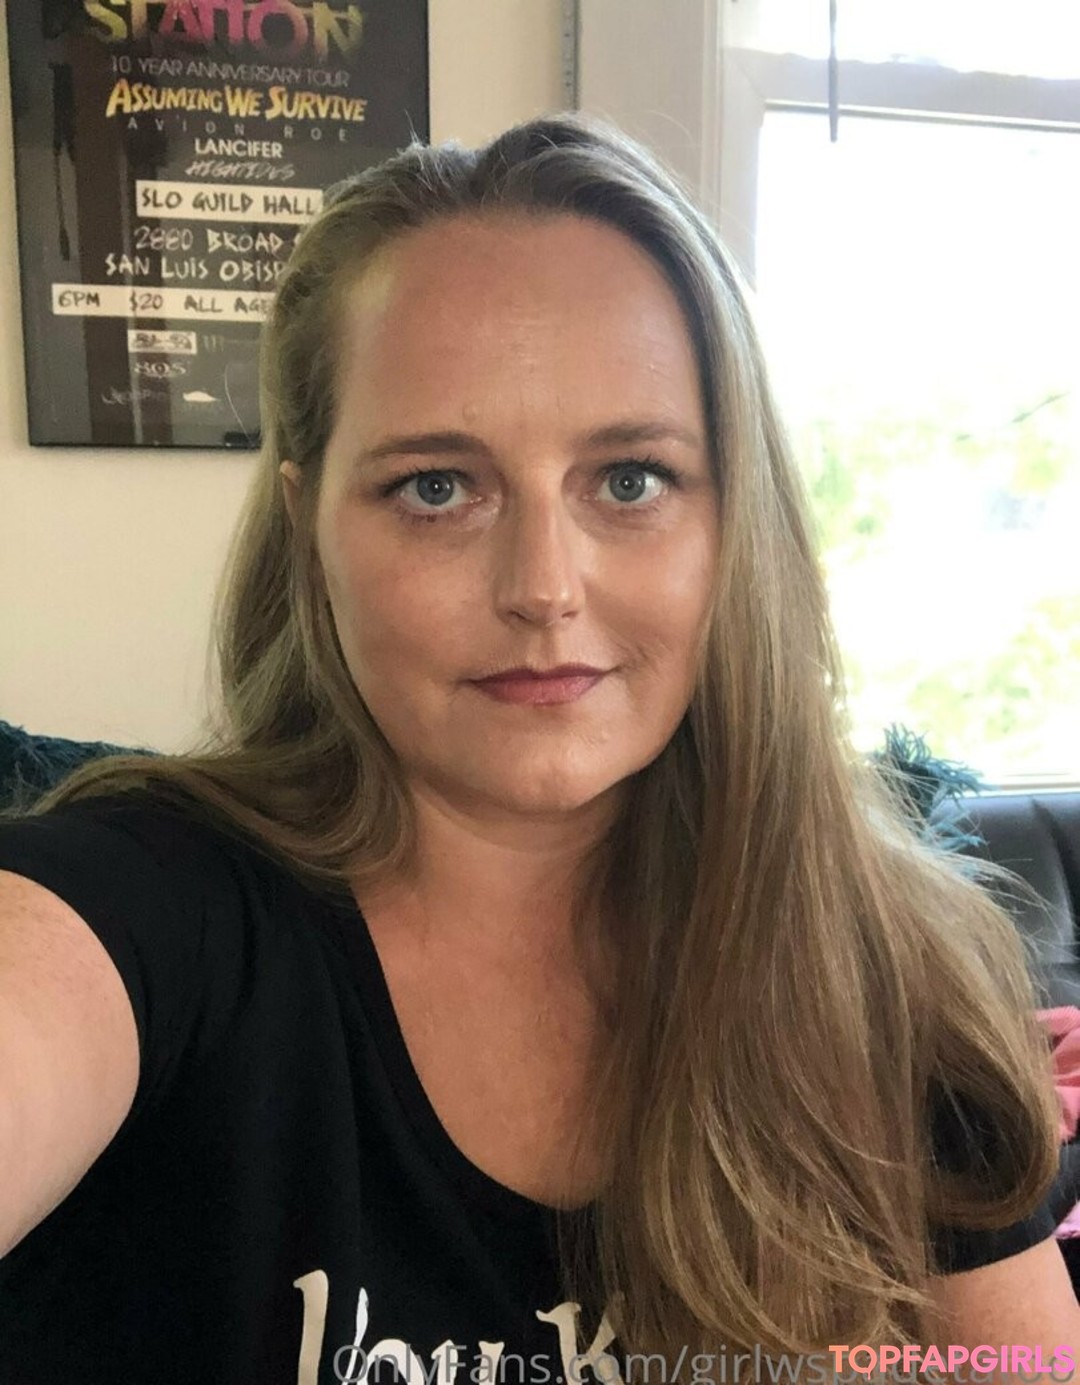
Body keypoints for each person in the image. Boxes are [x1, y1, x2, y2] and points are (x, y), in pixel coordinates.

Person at [0, 112, 1077, 1385]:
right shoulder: (144, 911)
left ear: (735, 521)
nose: (544, 589)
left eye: (630, 478)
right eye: (436, 487)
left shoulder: (886, 970)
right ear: (310, 527)